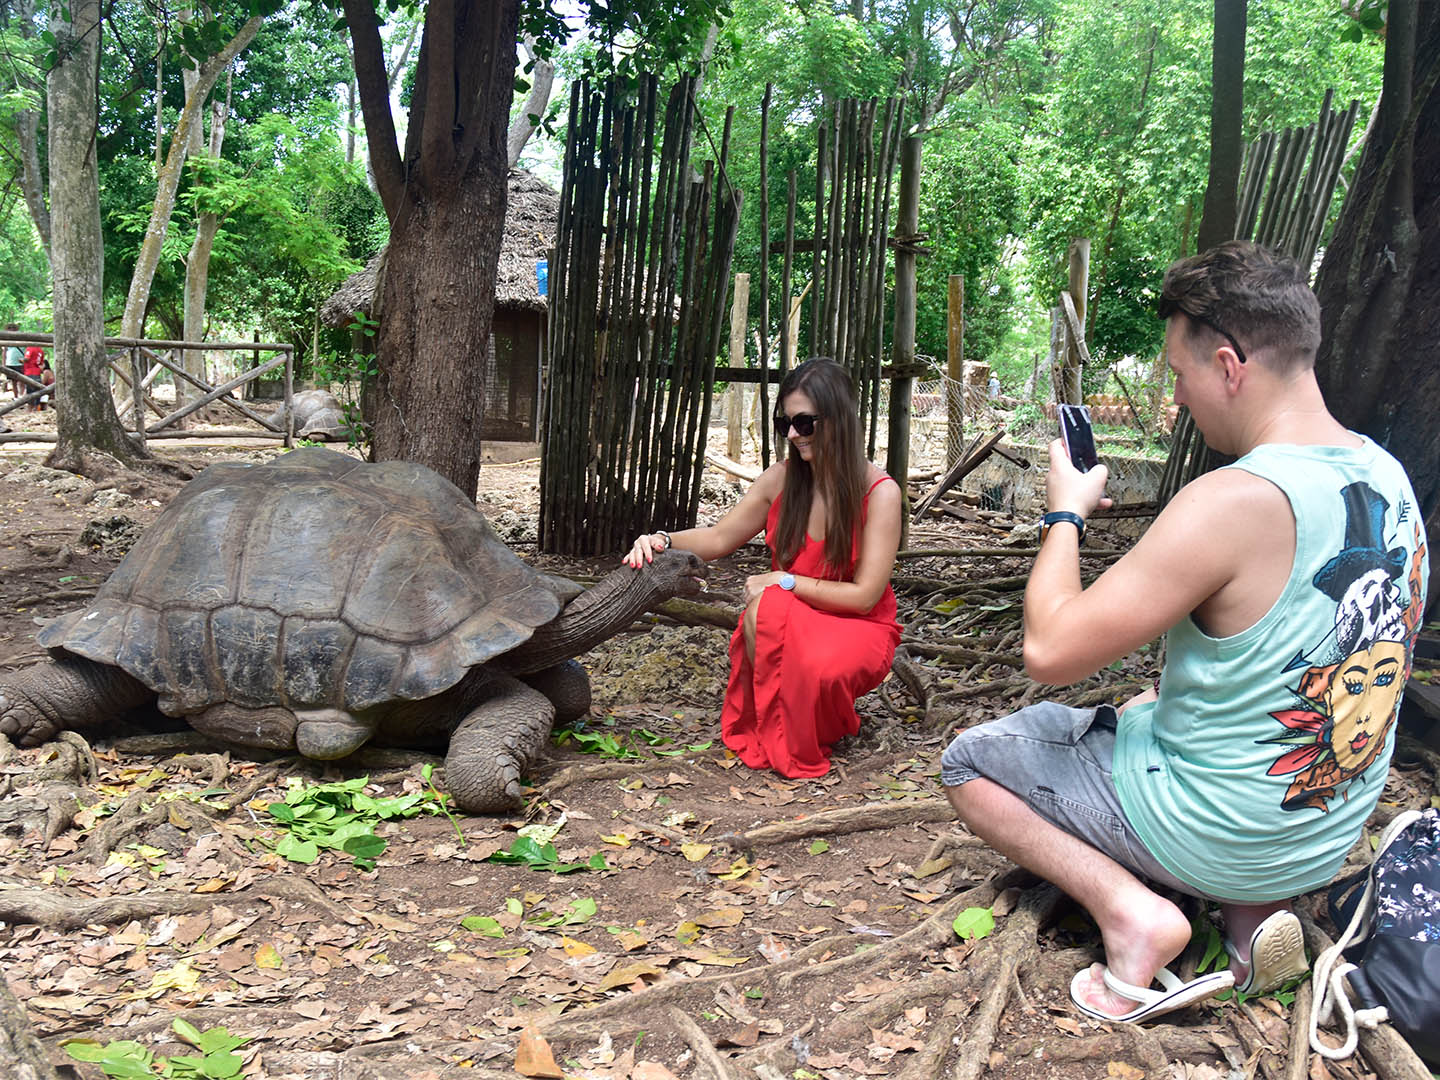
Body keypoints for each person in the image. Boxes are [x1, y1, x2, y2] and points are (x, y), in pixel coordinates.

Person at [940, 241, 1429, 1024]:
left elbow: (1049, 650)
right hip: (1319, 833)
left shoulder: (1233, 498)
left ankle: (1135, 917)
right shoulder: (1388, 475)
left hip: (1215, 832)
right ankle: (1246, 923)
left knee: (972, 761)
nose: (1177, 400)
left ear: (1230, 364)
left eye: (1178, 374)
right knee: (1143, 705)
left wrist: (1064, 513)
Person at [623, 357, 903, 778]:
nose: (792, 434)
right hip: (791, 618)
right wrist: (662, 539)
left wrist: (787, 580)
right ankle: (787, 728)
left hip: (856, 623)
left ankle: (813, 726)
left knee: (779, 610)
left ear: (840, 419)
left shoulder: (880, 493)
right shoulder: (780, 479)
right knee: (767, 609)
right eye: (785, 423)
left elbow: (865, 597)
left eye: (805, 423)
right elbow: (719, 538)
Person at [22, 345, 44, 412]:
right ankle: (36, 407)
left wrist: (21, 360)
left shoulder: (30, 348)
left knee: (30, 391)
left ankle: (30, 408)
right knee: (37, 391)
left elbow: (27, 359)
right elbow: (41, 363)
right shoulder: (41, 350)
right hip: (37, 372)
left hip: (30, 372)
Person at [4, 325, 23, 399]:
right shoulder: (6, 339)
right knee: (13, 381)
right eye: (9, 329)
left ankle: (21, 396)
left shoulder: (22, 338)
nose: (11, 330)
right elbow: (4, 352)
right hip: (10, 362)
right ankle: (16, 397)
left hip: (20, 362)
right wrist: (4, 363)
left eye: (13, 329)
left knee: (22, 381)